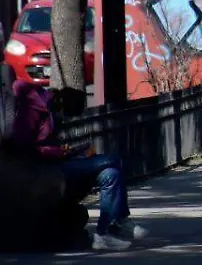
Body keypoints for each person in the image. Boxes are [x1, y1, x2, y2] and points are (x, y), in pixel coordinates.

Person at [9, 80, 148, 250]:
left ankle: (102, 234)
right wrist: (61, 152)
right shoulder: (34, 107)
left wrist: (72, 151)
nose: (63, 121)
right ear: (63, 107)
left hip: (56, 163)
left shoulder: (48, 109)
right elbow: (25, 146)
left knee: (111, 174)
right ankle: (120, 220)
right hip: (44, 170)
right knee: (113, 160)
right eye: (67, 117)